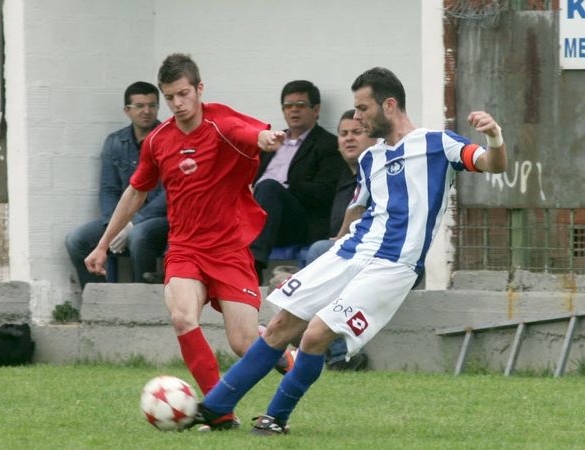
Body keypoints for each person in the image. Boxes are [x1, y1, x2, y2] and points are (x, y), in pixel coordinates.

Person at [190, 67, 508, 433]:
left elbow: (492, 164)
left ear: (389, 105)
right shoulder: (371, 159)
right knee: (279, 325)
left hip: (393, 264)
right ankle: (215, 409)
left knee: (315, 334)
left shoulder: (438, 144)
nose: (356, 117)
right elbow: (357, 209)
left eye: (362, 108)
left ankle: (276, 418)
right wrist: (330, 254)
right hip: (351, 253)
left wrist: (495, 137)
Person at [84, 53, 288, 426]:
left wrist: (265, 137)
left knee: (244, 345)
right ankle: (220, 413)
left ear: (199, 89)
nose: (177, 104)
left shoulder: (221, 123)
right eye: (170, 97)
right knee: (182, 318)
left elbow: (250, 134)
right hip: (185, 248)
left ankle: (274, 349)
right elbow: (135, 192)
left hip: (229, 250)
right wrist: (102, 244)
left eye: (183, 94)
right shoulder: (158, 141)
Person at [65, 81, 168, 288]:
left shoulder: (169, 138)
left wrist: (132, 223)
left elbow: (170, 194)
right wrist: (116, 225)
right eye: (139, 106)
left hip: (162, 220)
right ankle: (99, 301)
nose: (147, 111)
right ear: (127, 110)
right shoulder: (115, 142)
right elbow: (108, 189)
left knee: (139, 236)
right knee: (76, 240)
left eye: (152, 105)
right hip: (123, 217)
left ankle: (143, 304)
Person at [304, 109, 377, 371]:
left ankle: (340, 354)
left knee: (318, 253)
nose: (348, 139)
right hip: (353, 253)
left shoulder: (380, 172)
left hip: (383, 255)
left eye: (357, 133)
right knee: (312, 258)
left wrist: (339, 241)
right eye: (343, 134)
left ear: (373, 138)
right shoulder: (344, 176)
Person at [251, 80, 344, 283]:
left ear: (316, 109)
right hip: (259, 211)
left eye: (300, 104)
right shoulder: (273, 141)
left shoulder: (327, 145)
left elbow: (324, 192)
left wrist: (286, 186)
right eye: (288, 105)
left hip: (296, 219)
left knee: (268, 186)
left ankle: (253, 264)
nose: (294, 110)